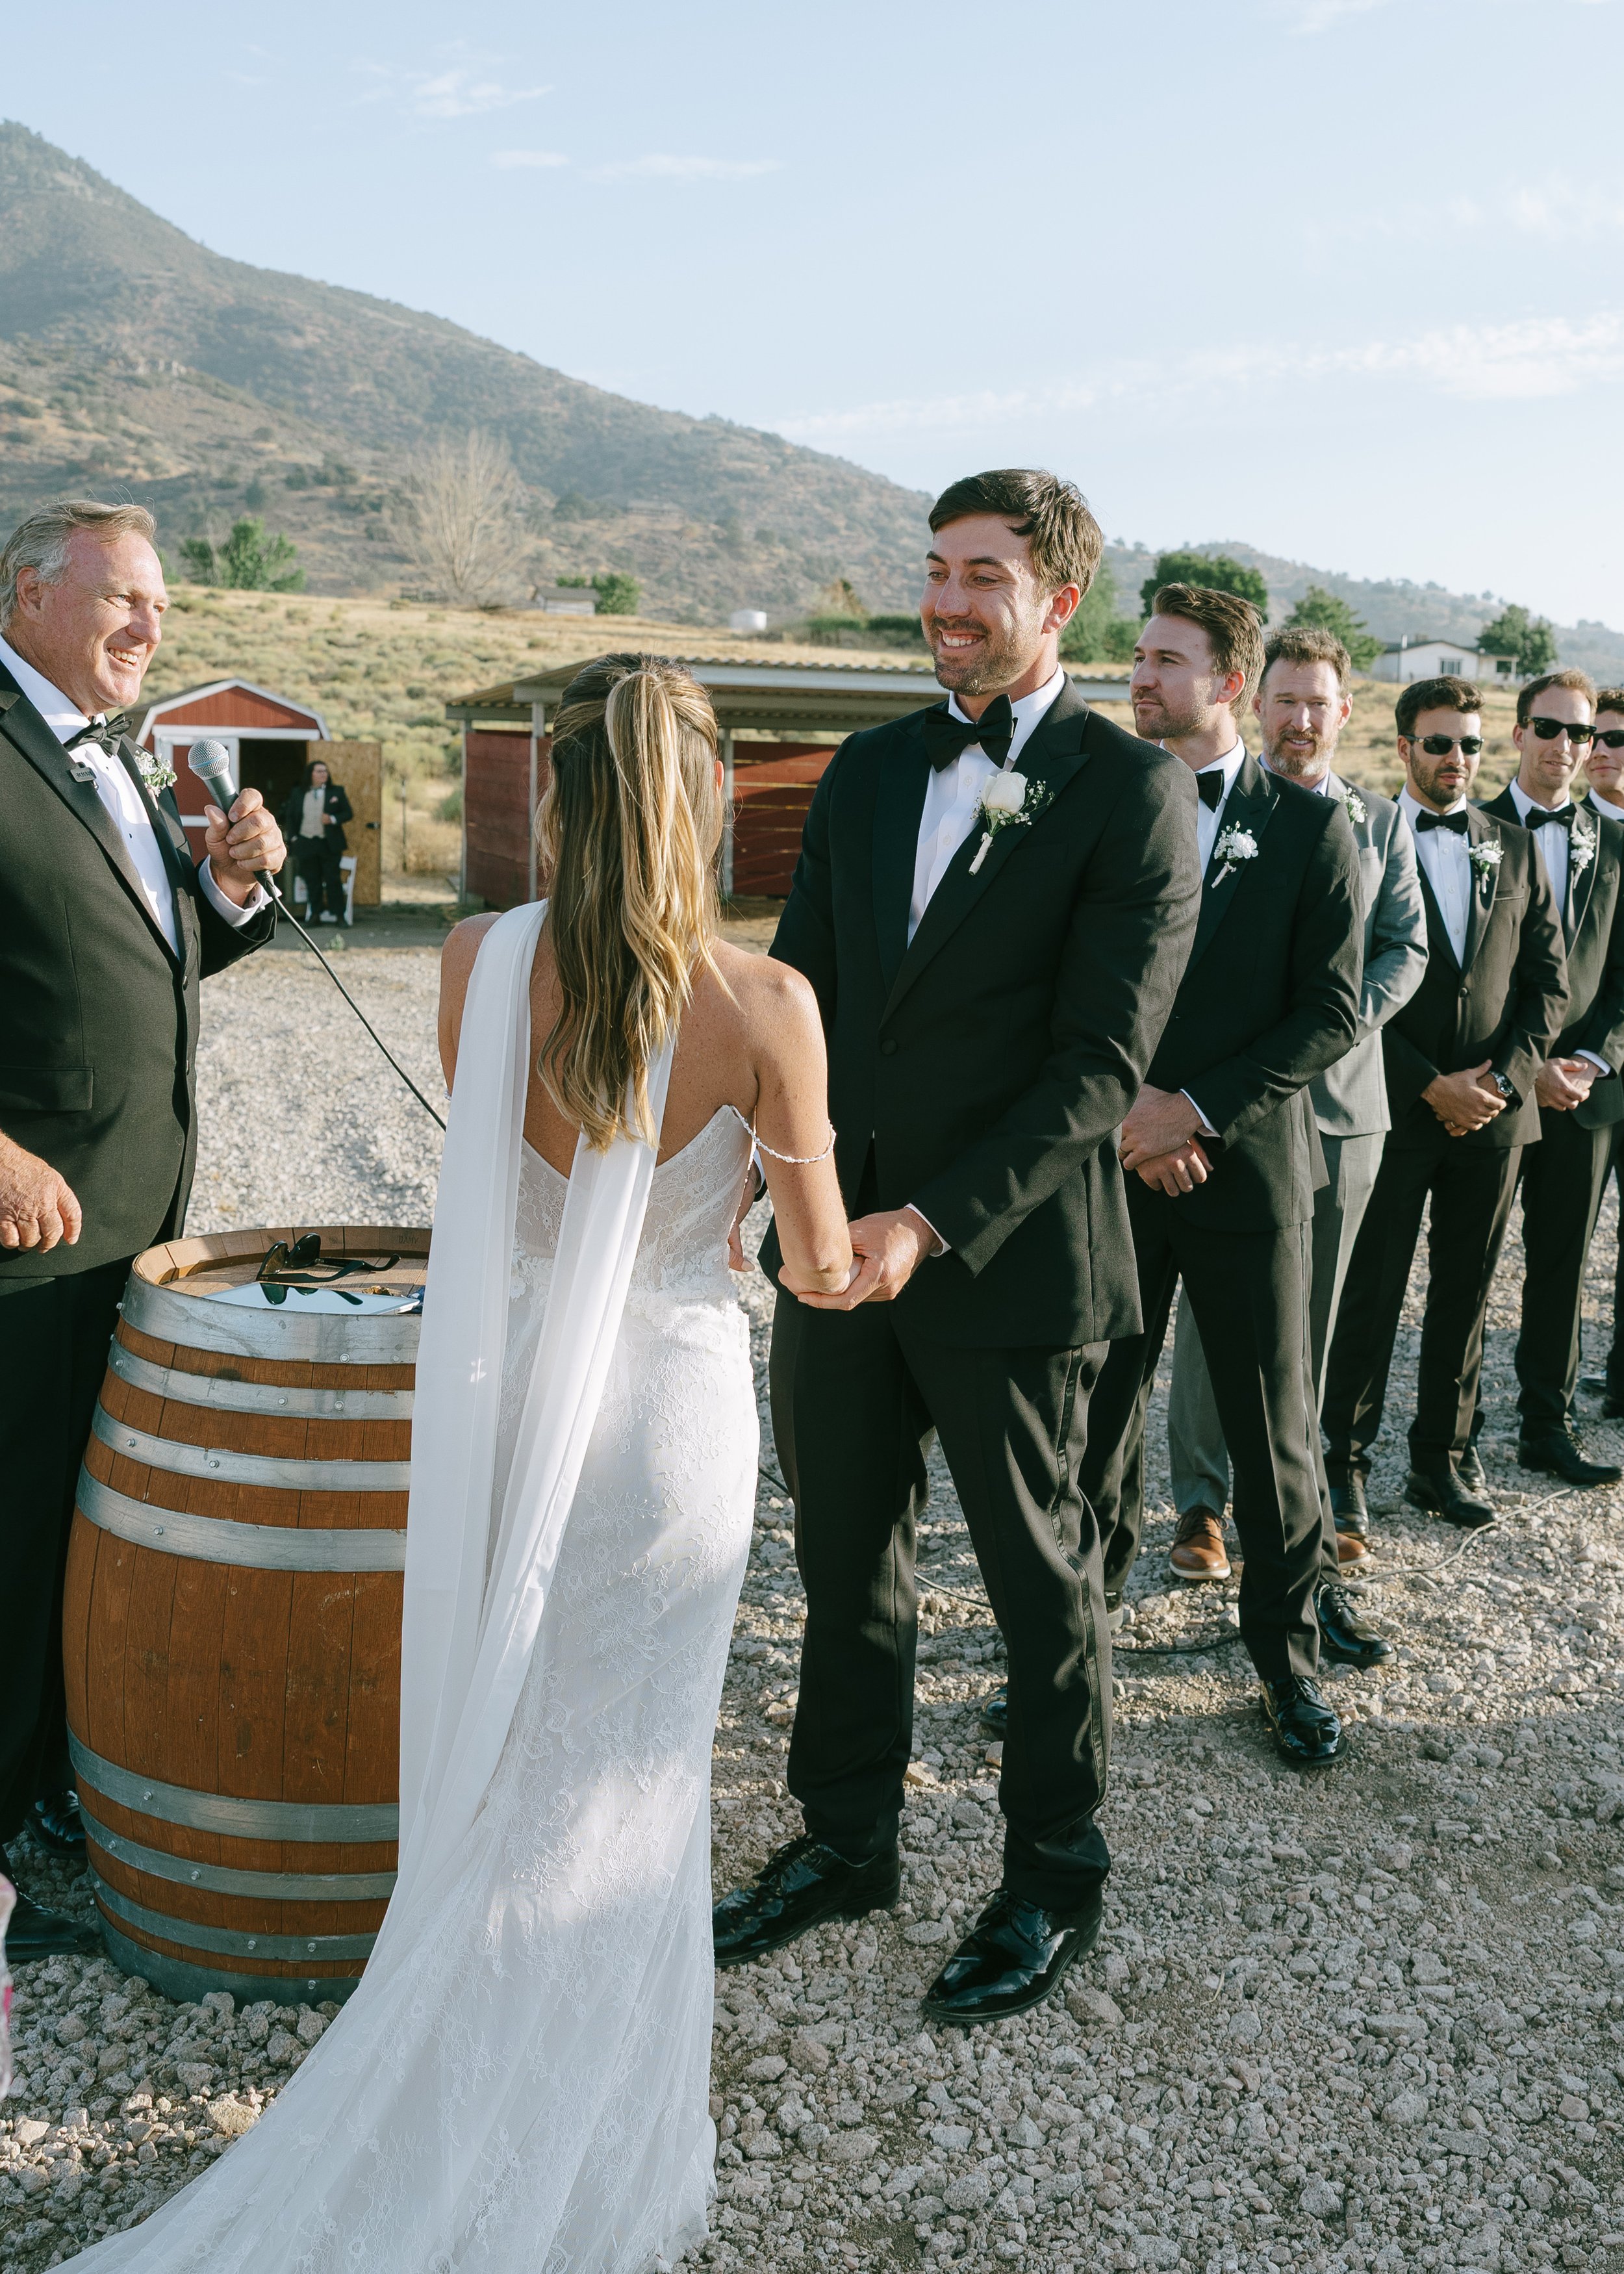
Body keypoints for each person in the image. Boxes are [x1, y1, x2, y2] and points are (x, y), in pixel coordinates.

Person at [62, 654, 856, 2271]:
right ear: (705, 798)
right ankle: (588, 2140)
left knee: (514, 1757)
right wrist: (883, 1238)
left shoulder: (479, 956)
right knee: (631, 1785)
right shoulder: (769, 1004)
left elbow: (508, 1177)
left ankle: (462, 2065)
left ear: (556, 799)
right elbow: (819, 1266)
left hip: (507, 1409)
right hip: (673, 1428)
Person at [713, 469, 1202, 2026]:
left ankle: (1054, 1870)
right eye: (934, 569)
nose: (943, 600)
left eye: (980, 575)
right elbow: (797, 995)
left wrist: (927, 1223)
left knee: (1037, 1580)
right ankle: (847, 1839)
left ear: (1059, 603)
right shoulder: (861, 773)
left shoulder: (1134, 794)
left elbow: (1096, 1070)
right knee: (844, 1556)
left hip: (1010, 1264)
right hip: (832, 1248)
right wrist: (756, 1161)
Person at [0, 500, 283, 1962]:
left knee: (65, 1512)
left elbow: (145, 964)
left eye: (158, 604)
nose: (148, 628)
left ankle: (38, 1786)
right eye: (120, 598)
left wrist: (228, 891)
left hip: (132, 1221)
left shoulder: (117, 758)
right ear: (31, 595)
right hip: (19, 1231)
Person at [1077, 586, 1366, 1770]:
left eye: (1166, 661)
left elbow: (1332, 1010)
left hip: (1246, 1177)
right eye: (1138, 657)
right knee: (1091, 1427)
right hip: (1110, 1176)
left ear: (1228, 684)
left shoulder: (1307, 830)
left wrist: (1193, 1109)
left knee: (1271, 1434)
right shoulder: (1093, 814)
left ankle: (1286, 1666)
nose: (1141, 678)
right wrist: (1124, 1120)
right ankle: (1071, 1658)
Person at [1165, 624, 1427, 1583]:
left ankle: (1298, 1499)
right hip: (1217, 1107)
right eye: (1285, 700)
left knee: (1307, 1317)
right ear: (1254, 700)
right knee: (1206, 1313)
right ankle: (1199, 1503)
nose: (1301, 719)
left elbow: (1406, 946)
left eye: (1319, 703)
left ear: (1344, 713)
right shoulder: (1198, 806)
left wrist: (1336, 1025)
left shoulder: (1377, 824)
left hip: (1342, 1107)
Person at [1323, 678, 1568, 1531]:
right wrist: (1427, 1081)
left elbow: (1548, 983)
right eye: (1438, 744)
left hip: (1497, 1117)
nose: (1457, 761)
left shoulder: (1514, 843)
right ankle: (1343, 1462)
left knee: (1466, 1295)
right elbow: (1342, 986)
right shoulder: (1357, 837)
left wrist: (1502, 1080)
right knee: (1371, 1293)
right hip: (1393, 1108)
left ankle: (1444, 1459)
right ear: (1402, 748)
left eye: (1470, 745)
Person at [1478, 669, 1624, 1486]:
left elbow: (1621, 978)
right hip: (1492, 1084)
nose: (1568, 747)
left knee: (1562, 1262)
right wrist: (1517, 1068)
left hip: (1581, 1088)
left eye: (1585, 734)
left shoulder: (1611, 841)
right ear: (1518, 733)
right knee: (1469, 1259)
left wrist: (1592, 1058)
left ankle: (1547, 1423)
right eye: (1552, 728)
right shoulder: (1473, 825)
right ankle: (1447, 1432)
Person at [1582, 689, 1624, 1418]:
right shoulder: (1554, 829)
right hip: (1569, 1069)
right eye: (1593, 735)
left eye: (1616, 738)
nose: (1601, 749)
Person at [280, 755, 353, 923]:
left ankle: (339, 916)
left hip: (329, 843)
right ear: (311, 774)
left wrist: (333, 819)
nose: (324, 774)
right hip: (306, 842)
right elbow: (290, 816)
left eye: (326, 771)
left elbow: (348, 813)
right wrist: (295, 838)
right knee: (312, 880)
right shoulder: (299, 793)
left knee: (333, 879)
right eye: (319, 771)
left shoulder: (337, 792)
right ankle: (315, 915)